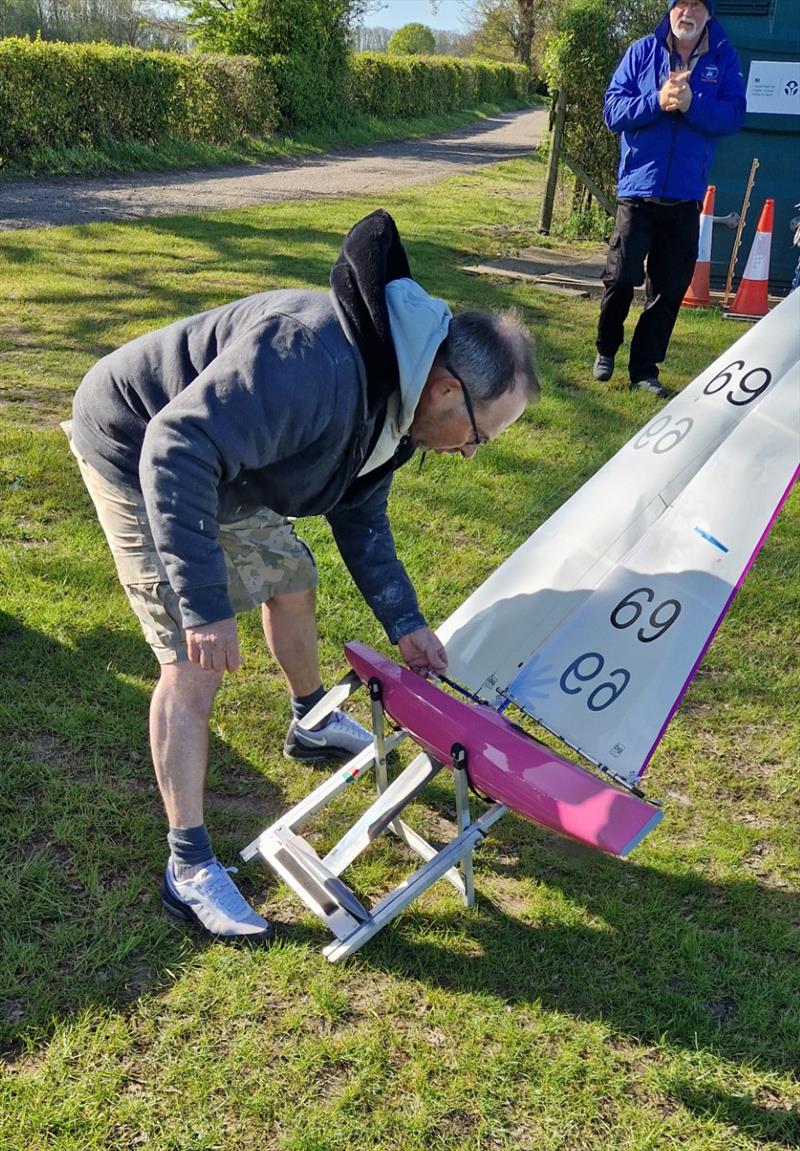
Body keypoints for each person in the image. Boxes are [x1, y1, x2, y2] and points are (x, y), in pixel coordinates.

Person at [68, 209, 538, 942]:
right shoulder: (311, 363)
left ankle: (309, 720)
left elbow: (360, 512)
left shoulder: (397, 401)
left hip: (227, 461)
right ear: (447, 389)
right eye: (481, 435)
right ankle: (187, 867)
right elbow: (176, 447)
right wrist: (203, 606)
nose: (474, 453)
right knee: (192, 666)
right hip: (138, 447)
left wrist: (404, 620)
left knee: (293, 575)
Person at [593, 0, 745, 396]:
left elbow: (733, 116)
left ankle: (644, 371)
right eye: (681, 4)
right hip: (638, 190)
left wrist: (694, 105)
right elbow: (612, 112)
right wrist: (656, 102)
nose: (687, 12)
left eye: (697, 5)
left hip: (685, 196)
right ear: (671, 10)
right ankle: (606, 348)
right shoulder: (641, 51)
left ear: (709, 14)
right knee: (621, 277)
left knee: (668, 289)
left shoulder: (724, 58)